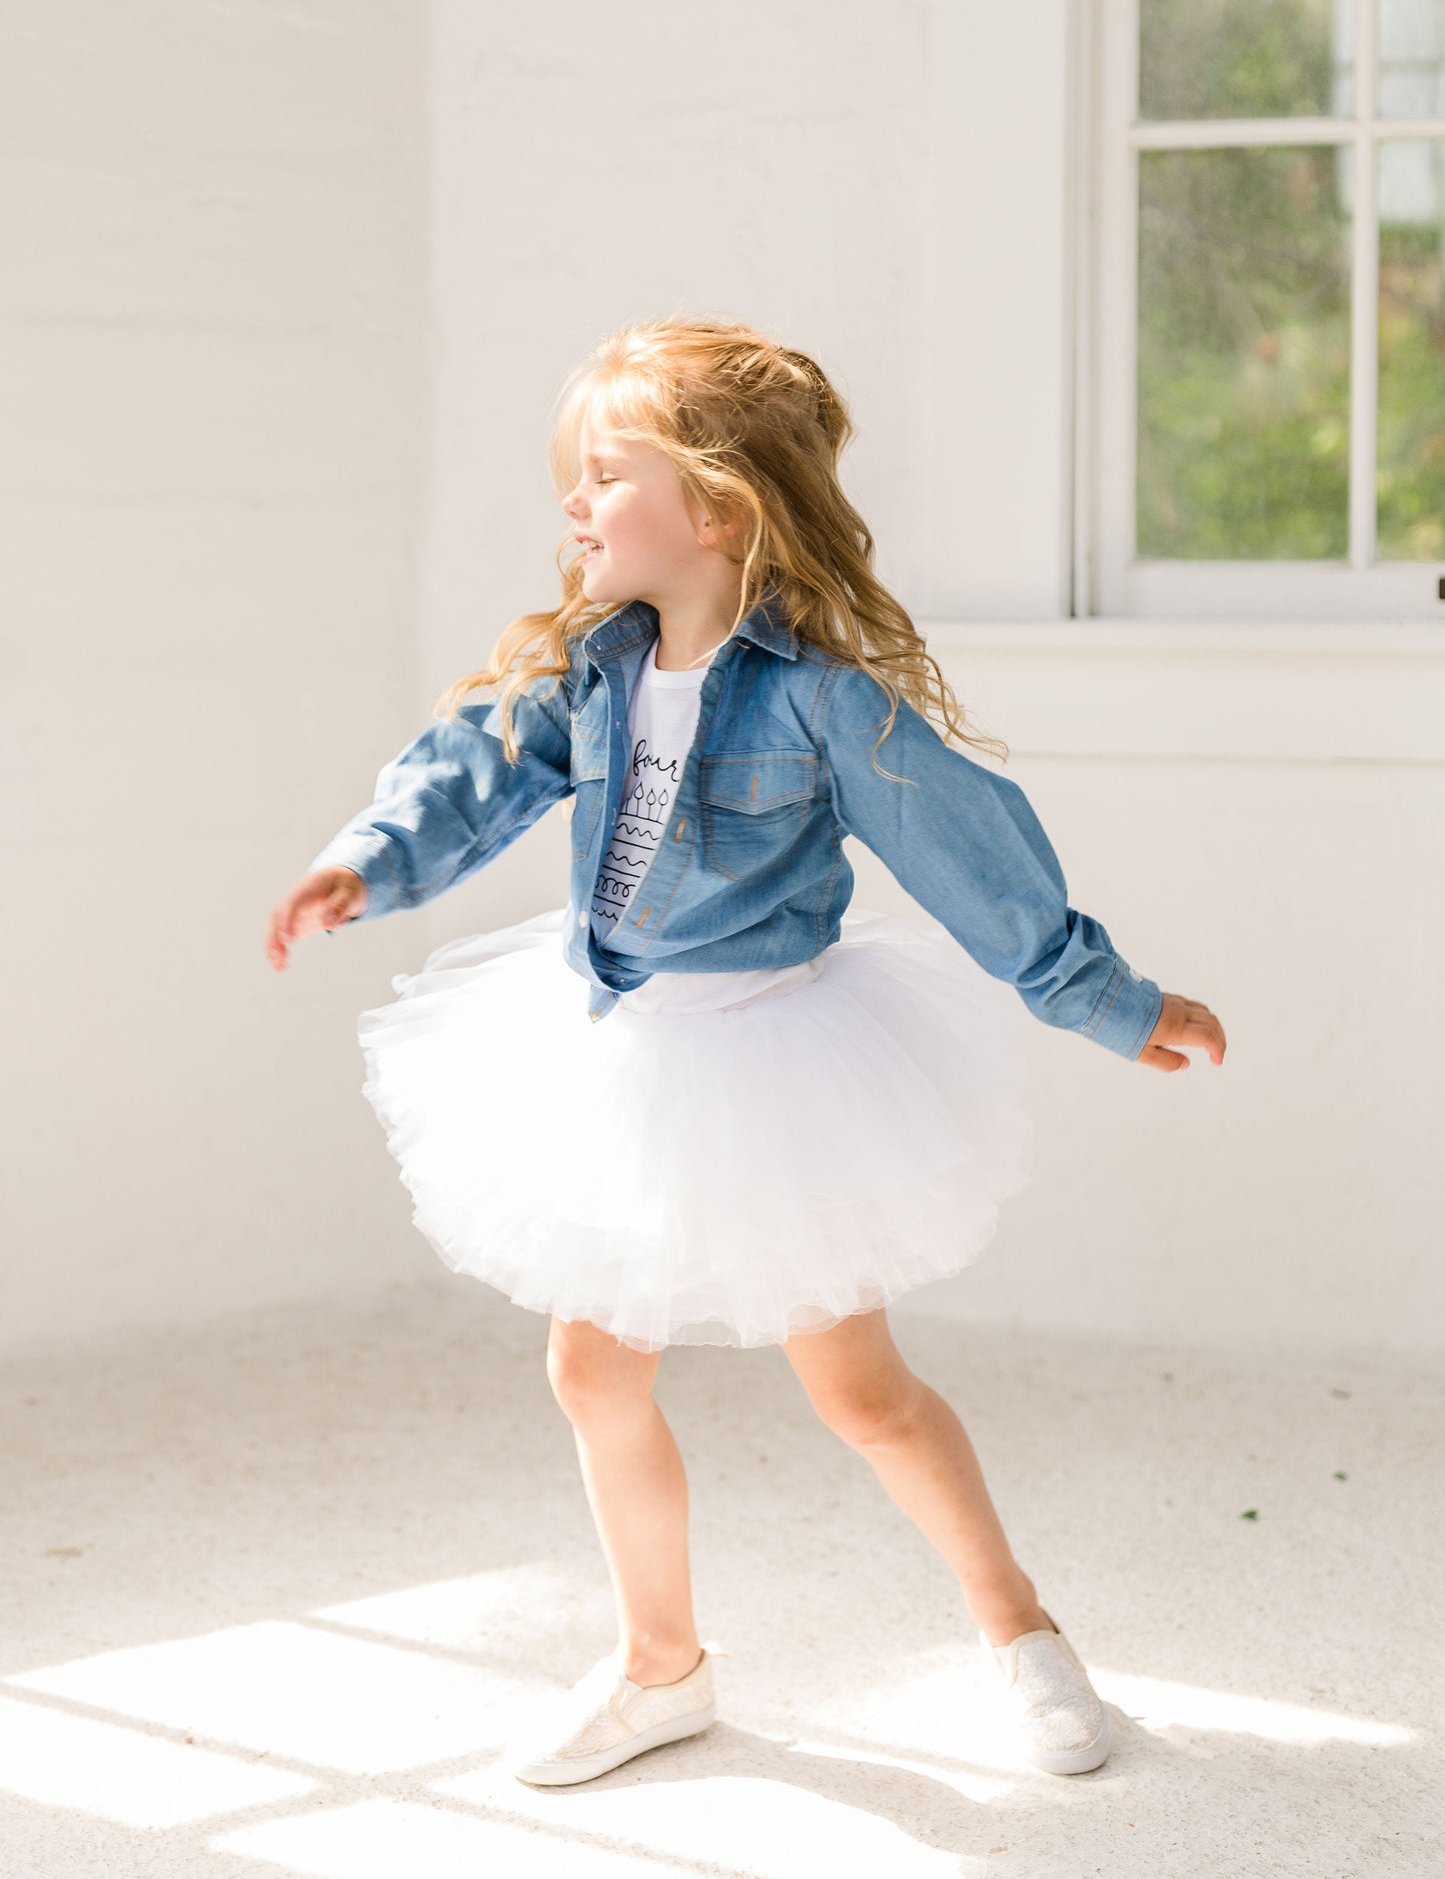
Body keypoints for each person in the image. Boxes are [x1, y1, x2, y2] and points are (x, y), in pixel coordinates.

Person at [265, 316, 1227, 1788]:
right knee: (591, 1372)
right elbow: (466, 768)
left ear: (713, 509)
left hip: (774, 1069)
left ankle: (1016, 1627)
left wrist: (1105, 997)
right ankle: (662, 1669)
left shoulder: (820, 699)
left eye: (603, 476)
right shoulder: (588, 669)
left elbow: (972, 853)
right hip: (619, 1054)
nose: (574, 507)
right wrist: (368, 861)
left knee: (856, 1392)